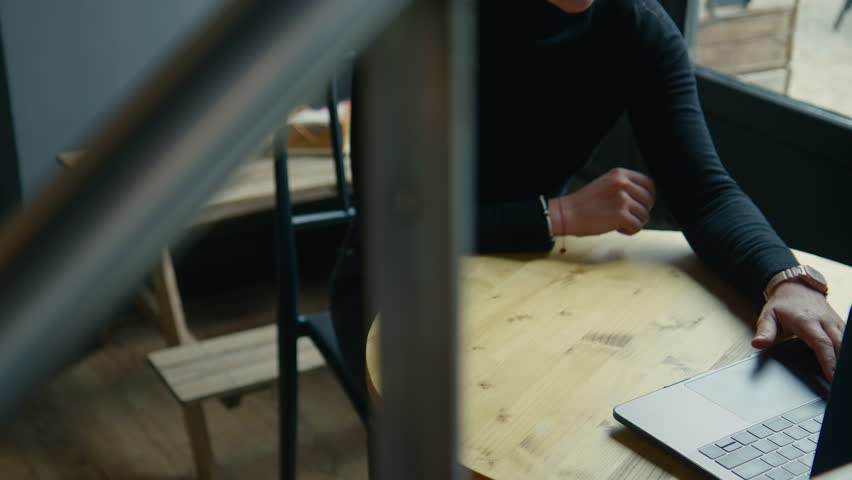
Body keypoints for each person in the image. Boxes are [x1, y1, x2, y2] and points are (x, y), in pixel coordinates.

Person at [331, 0, 846, 402]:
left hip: (529, 273)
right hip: (396, 282)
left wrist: (783, 278)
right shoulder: (414, 25)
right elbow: (394, 223)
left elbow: (704, 193)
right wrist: (559, 215)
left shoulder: (637, 26)